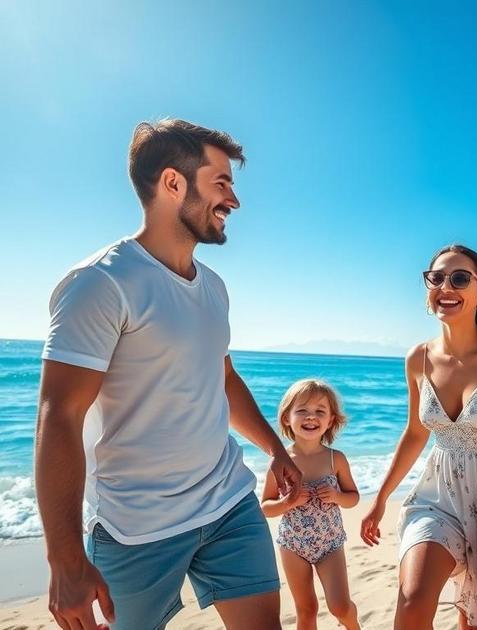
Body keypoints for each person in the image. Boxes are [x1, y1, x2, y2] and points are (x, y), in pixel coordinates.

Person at [35, 119, 301, 630]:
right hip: (136, 528)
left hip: (228, 503)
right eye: (221, 183)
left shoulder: (215, 288)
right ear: (173, 183)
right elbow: (60, 415)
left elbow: (222, 379)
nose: (235, 201)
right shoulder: (101, 283)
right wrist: (64, 558)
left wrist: (277, 449)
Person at [361, 244, 477, 630]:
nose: (446, 286)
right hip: (438, 495)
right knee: (412, 603)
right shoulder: (418, 358)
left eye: (460, 278)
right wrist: (380, 498)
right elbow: (415, 433)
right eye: (437, 278)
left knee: (476, 624)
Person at [262, 379, 360, 630]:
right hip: (292, 545)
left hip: (330, 543)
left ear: (331, 420)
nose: (311, 417)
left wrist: (338, 496)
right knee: (306, 610)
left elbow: (353, 497)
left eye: (320, 411)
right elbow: (266, 507)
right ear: (287, 418)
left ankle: (353, 625)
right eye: (302, 410)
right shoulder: (281, 461)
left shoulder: (335, 459)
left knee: (340, 606)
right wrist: (287, 502)